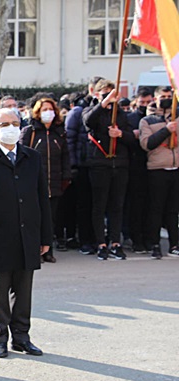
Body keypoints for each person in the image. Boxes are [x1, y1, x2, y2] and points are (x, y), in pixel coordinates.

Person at [0, 108, 52, 358]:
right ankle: (0, 335)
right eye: (5, 124)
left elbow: (42, 199)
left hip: (28, 233)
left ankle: (21, 336)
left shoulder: (32, 157)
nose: (11, 128)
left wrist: (46, 237)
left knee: (23, 289)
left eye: (15, 123)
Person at [83, 80, 136, 261]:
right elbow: (88, 122)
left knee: (117, 205)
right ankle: (100, 242)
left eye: (110, 93)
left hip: (119, 164)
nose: (108, 97)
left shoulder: (120, 114)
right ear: (97, 94)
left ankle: (115, 241)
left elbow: (131, 139)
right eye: (104, 93)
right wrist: (103, 104)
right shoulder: (91, 110)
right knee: (99, 205)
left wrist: (120, 134)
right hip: (99, 164)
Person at [20, 98, 71, 263]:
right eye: (44, 109)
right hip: (34, 183)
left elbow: (65, 157)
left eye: (50, 109)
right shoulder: (30, 131)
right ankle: (35, 250)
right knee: (35, 218)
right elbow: (22, 156)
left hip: (54, 182)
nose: (47, 112)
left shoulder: (60, 132)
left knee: (50, 218)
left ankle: (48, 250)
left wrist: (66, 177)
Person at [139, 86, 179, 259]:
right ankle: (154, 243)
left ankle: (174, 244)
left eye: (169, 96)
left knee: (173, 210)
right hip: (157, 169)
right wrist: (166, 130)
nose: (167, 99)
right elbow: (147, 144)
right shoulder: (147, 121)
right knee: (156, 209)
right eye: (163, 97)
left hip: (175, 168)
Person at [66, 76, 103, 255]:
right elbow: (70, 139)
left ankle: (98, 239)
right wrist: (72, 165)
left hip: (99, 164)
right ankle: (84, 240)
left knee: (98, 205)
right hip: (81, 165)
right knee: (83, 204)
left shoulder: (106, 111)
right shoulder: (79, 111)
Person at [125, 87, 154, 253]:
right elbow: (128, 138)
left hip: (154, 166)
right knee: (136, 205)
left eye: (148, 102)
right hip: (135, 166)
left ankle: (150, 238)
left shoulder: (157, 118)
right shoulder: (131, 118)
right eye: (142, 102)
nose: (145, 105)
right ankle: (136, 239)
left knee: (152, 206)